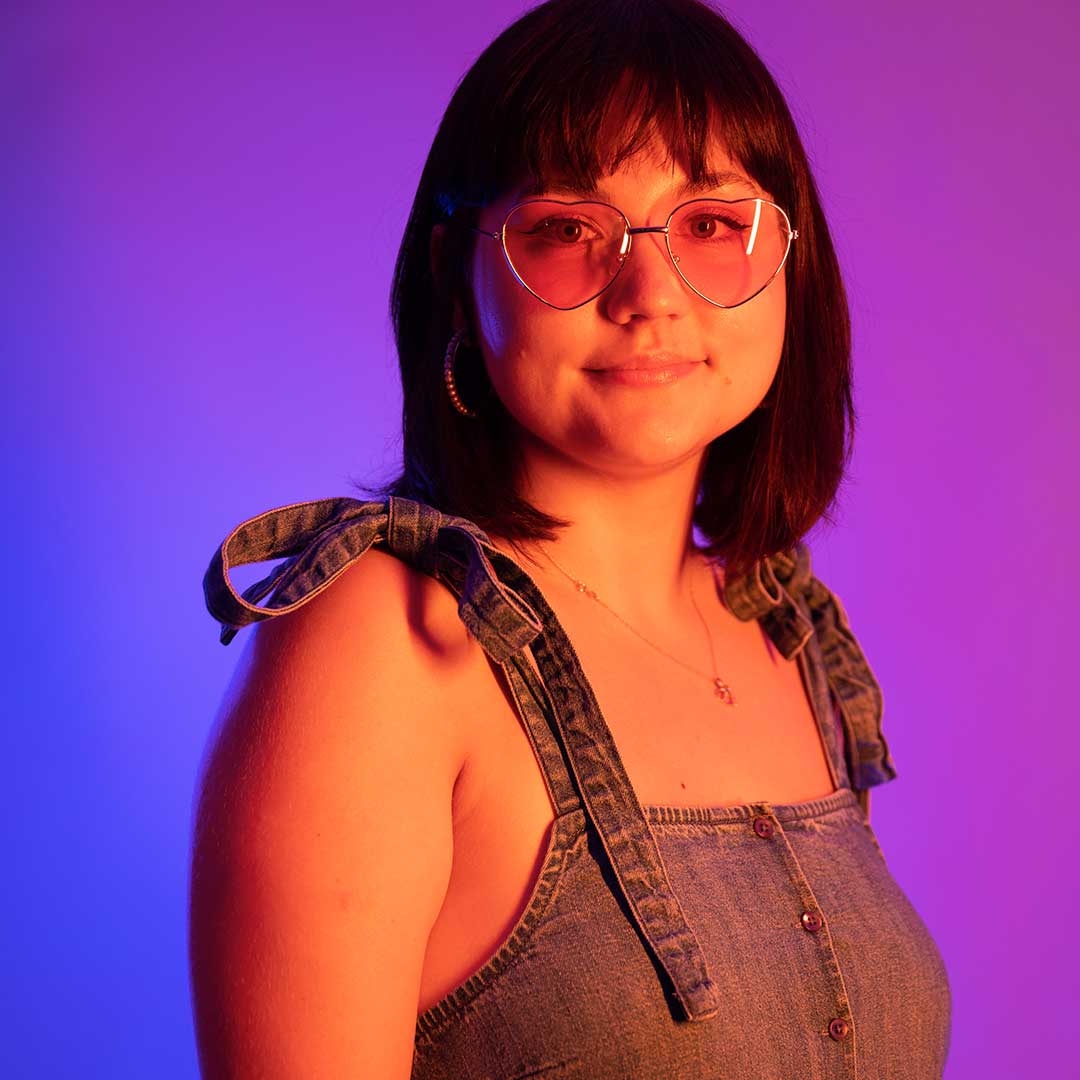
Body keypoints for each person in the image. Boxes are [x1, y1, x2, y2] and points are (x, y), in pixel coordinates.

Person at [190, 0, 953, 1076]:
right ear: (463, 276)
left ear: (790, 259)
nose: (651, 295)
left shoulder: (787, 632)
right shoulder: (380, 644)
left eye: (709, 224)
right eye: (565, 230)